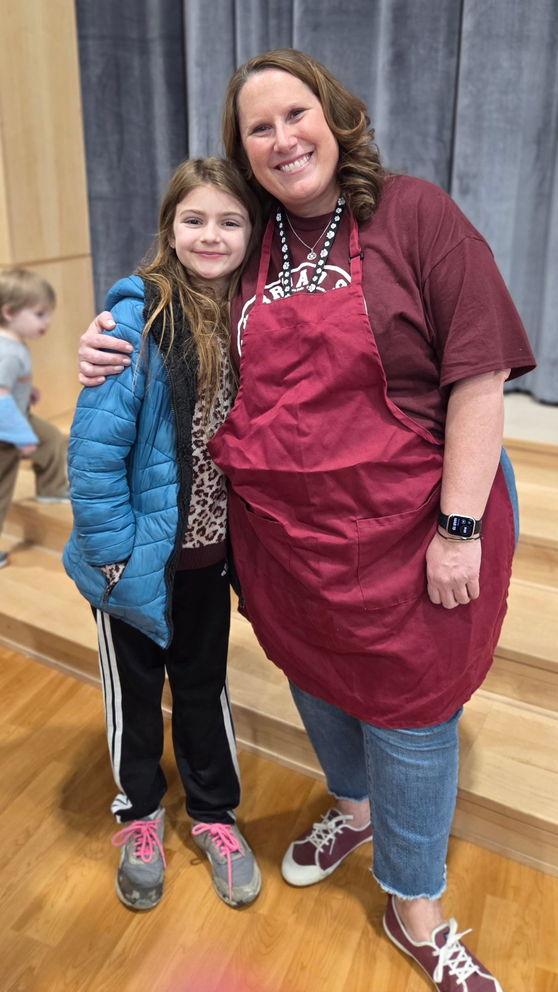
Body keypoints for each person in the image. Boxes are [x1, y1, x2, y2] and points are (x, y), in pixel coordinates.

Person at [77, 51, 535, 988]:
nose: (283, 138)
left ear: (334, 116)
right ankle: (353, 807)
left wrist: (459, 528)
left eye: (297, 114)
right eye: (259, 127)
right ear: (241, 151)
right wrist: (106, 335)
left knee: (411, 716)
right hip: (287, 542)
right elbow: (171, 299)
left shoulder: (414, 216)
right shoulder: (253, 243)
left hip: (410, 529)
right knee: (317, 684)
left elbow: (478, 373)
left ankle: (416, 906)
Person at [63, 157, 263, 912]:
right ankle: (141, 814)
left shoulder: (250, 314)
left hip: (208, 556)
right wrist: (113, 558)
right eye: (195, 219)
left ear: (251, 232)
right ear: (170, 229)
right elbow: (93, 453)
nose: (211, 234)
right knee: (137, 694)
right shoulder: (137, 313)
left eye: (230, 220)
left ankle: (213, 815)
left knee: (205, 688)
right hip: (131, 563)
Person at [0, 269, 69, 568]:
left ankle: (51, 490)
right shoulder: (8, 353)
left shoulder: (14, 344)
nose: (47, 322)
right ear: (9, 312)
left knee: (52, 439)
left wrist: (27, 392)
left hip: (17, 416)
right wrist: (22, 437)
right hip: (5, 432)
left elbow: (9, 386)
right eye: (40, 314)